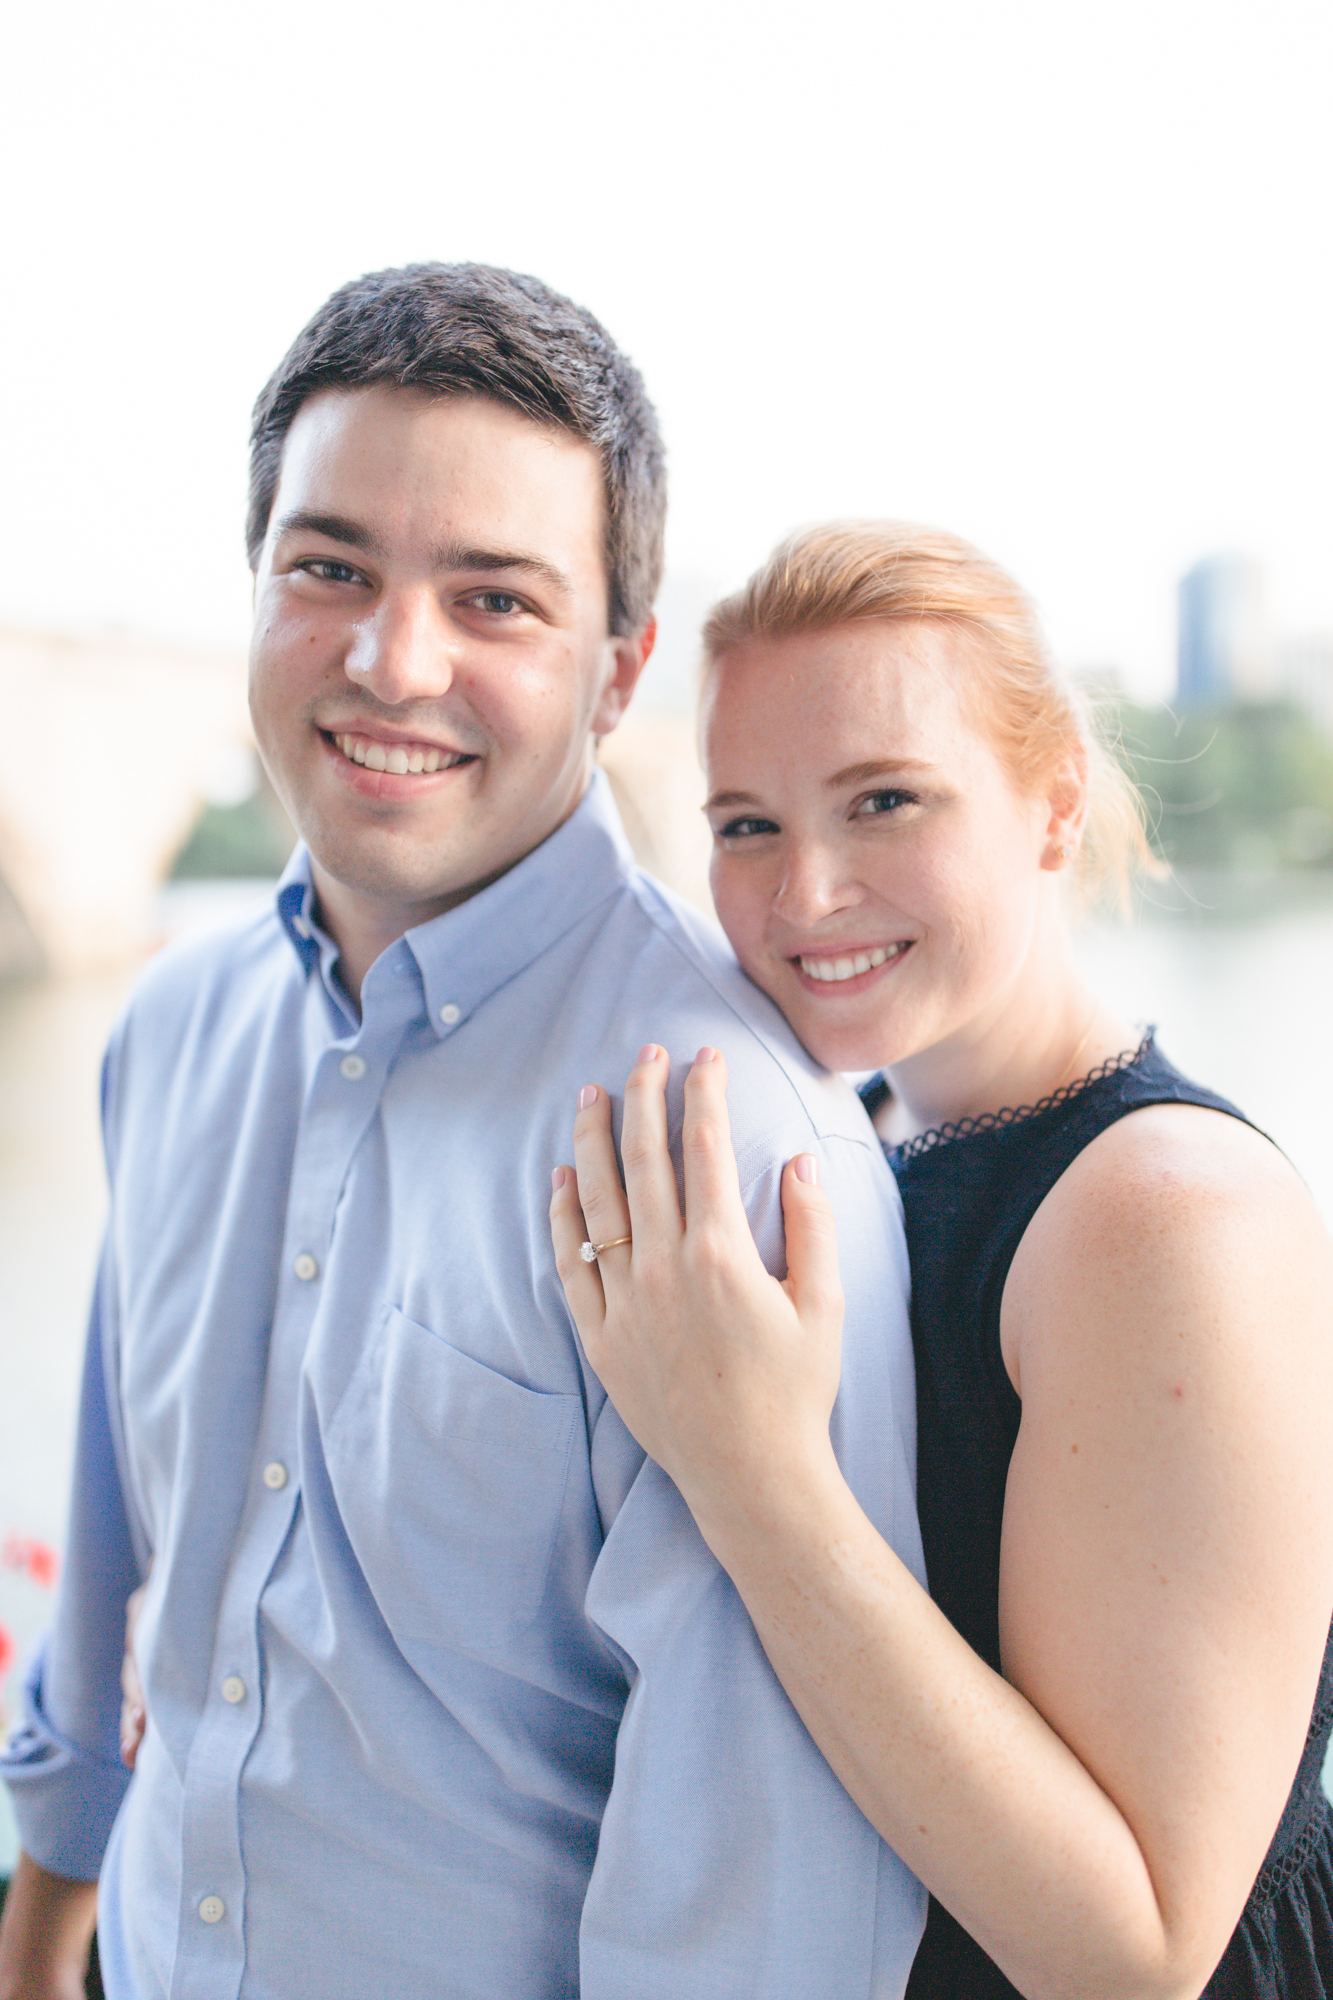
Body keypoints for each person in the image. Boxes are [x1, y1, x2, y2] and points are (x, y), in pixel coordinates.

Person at [0, 274, 929, 1999]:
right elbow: (119, 1531)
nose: (389, 660)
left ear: (615, 671)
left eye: (493, 599)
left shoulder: (730, 1144)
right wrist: (50, 1896)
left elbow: (768, 1888)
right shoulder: (173, 1033)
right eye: (328, 566)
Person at [550, 521, 1333, 2000]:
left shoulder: (1162, 1213)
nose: (804, 897)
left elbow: (1132, 1956)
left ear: (1052, 805)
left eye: (885, 801)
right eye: (745, 825)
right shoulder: (848, 1136)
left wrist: (748, 1468)